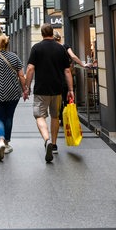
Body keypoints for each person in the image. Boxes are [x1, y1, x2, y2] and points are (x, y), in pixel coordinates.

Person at [24, 23, 74, 163]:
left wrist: (27, 87)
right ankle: (54, 144)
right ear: (52, 33)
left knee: (39, 115)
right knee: (55, 116)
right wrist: (70, 90)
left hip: (41, 89)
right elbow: (67, 71)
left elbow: (30, 68)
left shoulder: (36, 48)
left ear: (41, 33)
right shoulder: (60, 48)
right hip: (57, 89)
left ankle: (47, 140)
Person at [0, 34, 29, 161]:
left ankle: (0, 140)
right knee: (9, 117)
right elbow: (21, 76)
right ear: (8, 44)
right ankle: (6, 143)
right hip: (13, 92)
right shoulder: (15, 57)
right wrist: (25, 90)